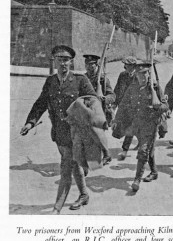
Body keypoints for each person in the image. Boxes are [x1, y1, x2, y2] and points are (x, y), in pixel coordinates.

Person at [20, 45, 97, 214]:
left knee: (66, 168)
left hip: (77, 134)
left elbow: (93, 101)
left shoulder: (80, 80)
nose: (63, 64)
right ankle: (84, 194)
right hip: (59, 134)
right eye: (60, 60)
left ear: (71, 62)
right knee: (74, 164)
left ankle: (57, 208)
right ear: (54, 61)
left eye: (66, 60)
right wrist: (30, 122)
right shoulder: (51, 82)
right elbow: (40, 103)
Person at [112, 62, 168, 192]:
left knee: (143, 151)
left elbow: (166, 106)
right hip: (136, 124)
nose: (142, 77)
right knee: (149, 149)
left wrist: (156, 107)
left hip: (150, 125)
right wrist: (116, 120)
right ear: (136, 75)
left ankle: (136, 179)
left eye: (145, 74)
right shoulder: (132, 88)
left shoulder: (155, 88)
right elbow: (124, 104)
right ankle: (154, 171)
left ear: (149, 74)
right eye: (139, 74)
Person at [83, 54, 116, 165]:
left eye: (91, 65)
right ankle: (101, 155)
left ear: (96, 65)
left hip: (100, 111)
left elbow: (112, 96)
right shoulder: (83, 78)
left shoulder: (102, 80)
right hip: (86, 110)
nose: (89, 67)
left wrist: (104, 99)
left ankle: (105, 154)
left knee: (95, 133)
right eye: (87, 65)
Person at [113, 56, 138, 160]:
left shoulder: (139, 76)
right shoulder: (122, 75)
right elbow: (117, 89)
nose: (125, 66)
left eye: (127, 65)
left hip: (134, 107)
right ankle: (141, 142)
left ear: (133, 66)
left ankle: (125, 149)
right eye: (125, 64)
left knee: (130, 127)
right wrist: (114, 103)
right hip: (123, 106)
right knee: (124, 126)